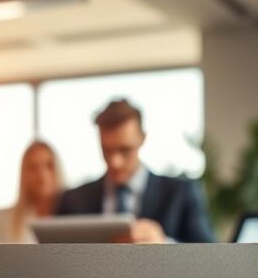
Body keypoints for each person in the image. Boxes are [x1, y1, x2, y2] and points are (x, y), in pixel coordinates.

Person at [56, 99, 215, 243]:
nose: (115, 162)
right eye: (107, 150)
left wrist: (165, 244)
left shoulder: (181, 194)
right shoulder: (73, 201)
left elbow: (211, 257)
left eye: (125, 150)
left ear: (143, 138)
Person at [0, 141, 63, 244]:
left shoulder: (73, 221)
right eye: (33, 168)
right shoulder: (3, 219)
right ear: (24, 174)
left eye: (49, 166)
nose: (42, 175)